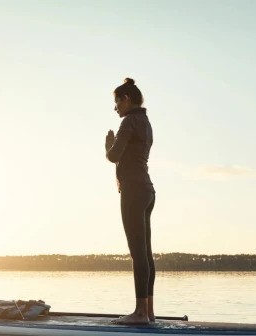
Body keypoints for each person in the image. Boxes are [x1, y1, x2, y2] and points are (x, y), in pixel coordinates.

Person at [105, 78, 156, 325]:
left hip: (134, 192)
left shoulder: (129, 121)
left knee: (137, 254)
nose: (115, 108)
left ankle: (140, 314)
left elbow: (114, 155)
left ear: (126, 99)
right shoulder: (146, 123)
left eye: (116, 102)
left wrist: (108, 146)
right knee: (145, 253)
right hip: (148, 191)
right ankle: (149, 311)